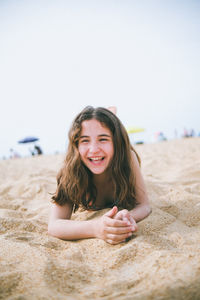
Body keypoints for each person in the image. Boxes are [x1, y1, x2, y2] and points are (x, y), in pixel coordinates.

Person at [48, 106, 151, 245]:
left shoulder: (128, 158)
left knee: (114, 127)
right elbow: (54, 225)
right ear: (76, 145)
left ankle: (111, 118)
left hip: (118, 160)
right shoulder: (71, 170)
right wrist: (96, 228)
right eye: (85, 140)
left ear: (116, 142)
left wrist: (126, 216)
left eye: (103, 139)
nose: (94, 150)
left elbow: (144, 205)